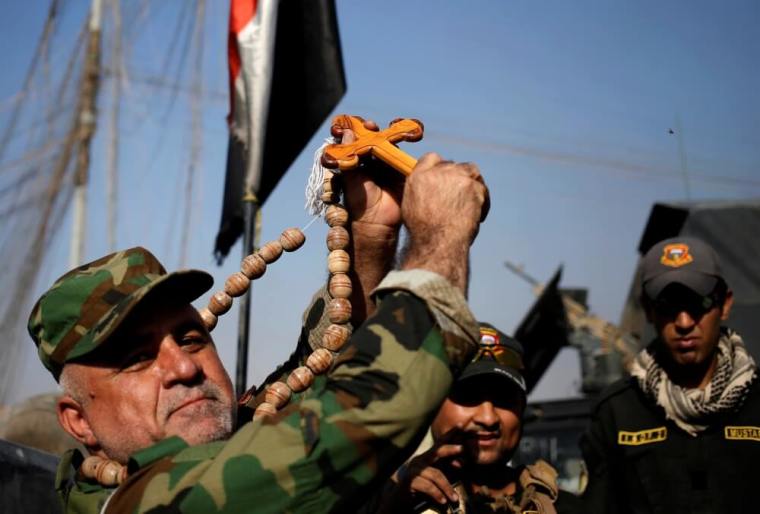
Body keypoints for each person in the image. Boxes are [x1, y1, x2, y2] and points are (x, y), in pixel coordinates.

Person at [28, 149, 490, 513]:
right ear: (78, 421)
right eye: (137, 359)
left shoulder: (238, 439)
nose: (185, 367)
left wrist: (371, 237)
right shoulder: (150, 501)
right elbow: (343, 426)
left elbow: (321, 381)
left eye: (190, 338)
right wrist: (439, 239)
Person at [581, 236, 759, 513]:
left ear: (724, 304)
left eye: (698, 302)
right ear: (650, 311)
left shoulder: (756, 402)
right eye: (668, 305)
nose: (684, 323)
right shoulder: (618, 412)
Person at [365, 324, 582, 513]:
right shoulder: (377, 497)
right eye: (468, 397)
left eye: (504, 399)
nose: (488, 418)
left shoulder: (563, 507)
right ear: (431, 406)